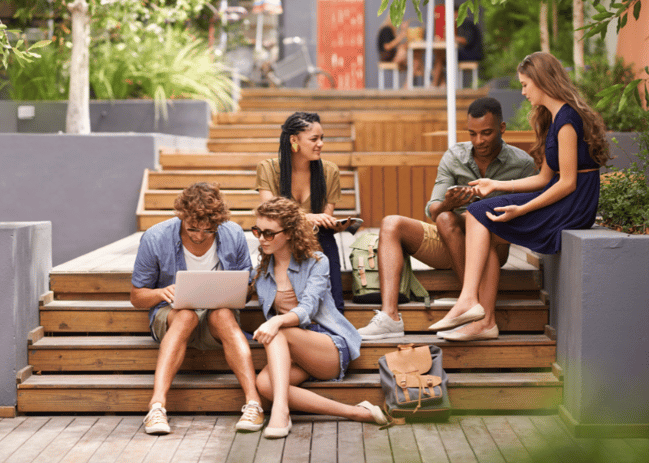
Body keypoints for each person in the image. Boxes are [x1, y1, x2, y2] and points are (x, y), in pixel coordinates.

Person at [429, 52, 610, 341]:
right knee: (485, 222)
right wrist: (494, 184)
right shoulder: (554, 119)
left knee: (478, 214)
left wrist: (521, 210)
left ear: (541, 81)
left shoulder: (566, 121)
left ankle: (468, 301)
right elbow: (543, 178)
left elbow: (567, 184)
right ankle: (484, 321)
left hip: (573, 205)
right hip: (564, 198)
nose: (523, 91)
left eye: (525, 85)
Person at [358, 97, 537, 340]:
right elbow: (433, 209)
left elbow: (530, 210)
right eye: (472, 134)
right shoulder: (455, 156)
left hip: (494, 244)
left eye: (486, 133)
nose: (479, 141)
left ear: (502, 128)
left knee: (483, 222)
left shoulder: (522, 164)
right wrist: (449, 204)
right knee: (398, 223)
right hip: (450, 240)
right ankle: (390, 317)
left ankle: (474, 309)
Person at [131, 182, 264, 435]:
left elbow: (246, 288)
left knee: (224, 314)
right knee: (186, 316)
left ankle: (254, 403)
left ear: (218, 223)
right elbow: (136, 297)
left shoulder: (233, 234)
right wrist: (160, 293)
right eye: (192, 228)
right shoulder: (156, 237)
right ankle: (156, 407)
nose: (200, 235)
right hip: (173, 318)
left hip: (218, 320)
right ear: (181, 216)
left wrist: (242, 290)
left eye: (209, 230)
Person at [251, 197, 387, 438]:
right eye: (257, 231)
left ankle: (280, 413)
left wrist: (277, 320)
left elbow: (308, 309)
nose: (261, 238)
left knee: (278, 331)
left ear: (290, 233)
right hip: (292, 352)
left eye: (269, 233)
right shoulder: (261, 271)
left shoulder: (316, 262)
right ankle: (355, 412)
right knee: (264, 385)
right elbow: (235, 293)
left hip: (327, 345)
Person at [256, 111, 349, 314]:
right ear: (294, 140)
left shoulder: (329, 171)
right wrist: (307, 217)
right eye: (314, 139)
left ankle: (334, 318)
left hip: (317, 239)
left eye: (322, 138)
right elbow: (271, 216)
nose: (321, 144)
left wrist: (332, 222)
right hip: (280, 240)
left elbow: (325, 217)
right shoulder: (268, 168)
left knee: (325, 240)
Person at [432, 9, 483, 88]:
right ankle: (441, 83)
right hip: (466, 52)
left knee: (440, 56)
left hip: (472, 53)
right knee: (439, 55)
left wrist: (450, 37)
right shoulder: (459, 25)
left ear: (457, 13)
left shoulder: (467, 24)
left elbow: (466, 40)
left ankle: (436, 84)